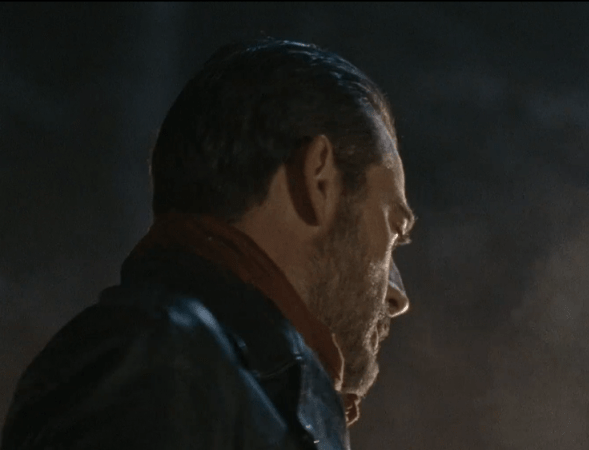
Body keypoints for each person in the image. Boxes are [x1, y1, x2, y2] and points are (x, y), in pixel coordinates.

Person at [1, 38, 415, 450]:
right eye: (393, 229)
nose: (398, 295)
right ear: (319, 180)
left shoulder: (198, 376)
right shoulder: (164, 365)